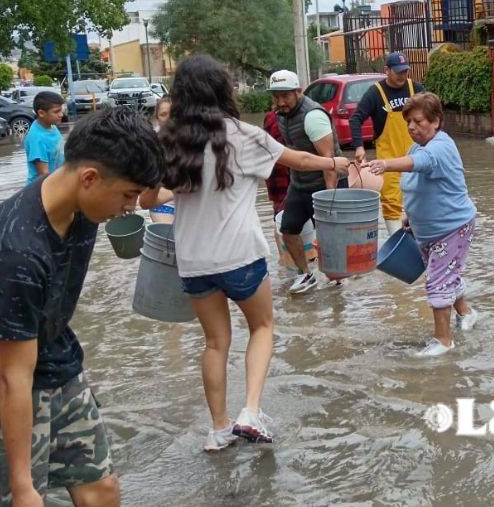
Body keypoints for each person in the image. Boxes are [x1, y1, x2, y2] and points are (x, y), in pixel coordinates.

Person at [140, 56, 348, 451]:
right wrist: (335, 161)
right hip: (240, 256)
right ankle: (250, 412)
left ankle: (217, 430)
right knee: (263, 328)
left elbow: (148, 198)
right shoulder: (244, 135)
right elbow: (298, 159)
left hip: (193, 262)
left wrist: (175, 187)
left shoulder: (170, 140)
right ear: (222, 91)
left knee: (215, 344)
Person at [0, 107, 164, 506]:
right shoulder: (16, 250)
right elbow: (11, 377)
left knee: (101, 490)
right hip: (8, 377)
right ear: (89, 178)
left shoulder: (83, 207)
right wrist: (22, 487)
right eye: (127, 195)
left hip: (55, 354)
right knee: (23, 498)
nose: (131, 207)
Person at [365, 92, 478, 357]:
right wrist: (410, 218)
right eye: (409, 123)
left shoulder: (440, 147)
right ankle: (467, 312)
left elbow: (418, 165)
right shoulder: (418, 145)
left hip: (452, 227)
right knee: (445, 272)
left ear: (435, 121)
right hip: (427, 228)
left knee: (438, 280)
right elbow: (417, 183)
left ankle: (444, 341)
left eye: (418, 122)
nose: (412, 128)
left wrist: (385, 164)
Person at [268, 69, 345, 295]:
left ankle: (338, 279)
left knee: (329, 236)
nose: (280, 101)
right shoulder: (281, 114)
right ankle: (305, 274)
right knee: (288, 230)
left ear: (298, 92)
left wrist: (330, 199)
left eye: (285, 95)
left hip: (324, 185)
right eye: (276, 96)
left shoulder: (313, 116)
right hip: (299, 184)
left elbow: (329, 162)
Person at [350, 52, 424, 234]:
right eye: (398, 72)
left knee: (422, 197)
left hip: (417, 158)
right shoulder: (376, 93)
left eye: (405, 71)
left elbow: (432, 118)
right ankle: (397, 242)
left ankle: (421, 238)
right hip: (388, 162)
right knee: (391, 201)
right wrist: (359, 146)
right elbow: (356, 119)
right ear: (387, 70)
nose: (402, 76)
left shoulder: (416, 89)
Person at [24, 90, 66, 184]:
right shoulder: (36, 138)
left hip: (57, 180)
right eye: (56, 112)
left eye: (61, 110)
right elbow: (44, 174)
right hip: (42, 189)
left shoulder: (51, 126)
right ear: (41, 113)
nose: (61, 114)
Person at [149, 96, 176, 224]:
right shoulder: (152, 143)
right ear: (157, 119)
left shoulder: (194, 140)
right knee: (171, 242)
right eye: (163, 114)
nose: (168, 118)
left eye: (172, 113)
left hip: (190, 205)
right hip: (163, 204)